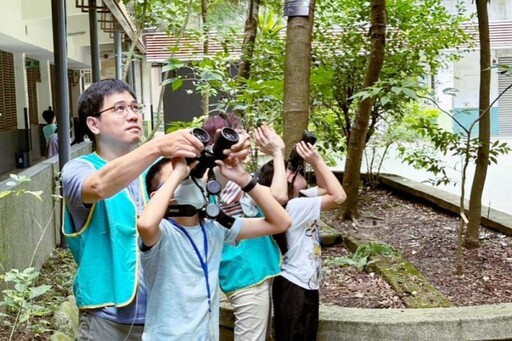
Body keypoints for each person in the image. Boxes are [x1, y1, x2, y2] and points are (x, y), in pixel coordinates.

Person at [61, 78, 249, 340]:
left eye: (135, 107)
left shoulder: (155, 169)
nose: (132, 115)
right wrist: (157, 147)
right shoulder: (77, 169)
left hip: (165, 320)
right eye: (119, 109)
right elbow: (99, 186)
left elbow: (202, 186)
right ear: (93, 124)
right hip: (107, 321)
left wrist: (228, 159)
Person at [137, 155, 292, 340]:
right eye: (178, 179)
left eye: (191, 175)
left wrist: (244, 179)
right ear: (159, 196)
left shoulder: (215, 228)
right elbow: (145, 224)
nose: (188, 179)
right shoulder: (162, 233)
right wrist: (178, 172)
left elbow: (281, 222)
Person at [202, 114, 286, 341]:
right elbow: (278, 196)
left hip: (243, 270)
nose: (246, 138)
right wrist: (277, 152)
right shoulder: (229, 182)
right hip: (247, 272)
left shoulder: (221, 180)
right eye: (237, 134)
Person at [257, 139, 347, 341]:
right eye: (291, 170)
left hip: (302, 283)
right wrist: (317, 160)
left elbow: (325, 188)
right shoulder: (294, 206)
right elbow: (339, 196)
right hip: (294, 285)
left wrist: (313, 162)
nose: (295, 171)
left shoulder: (301, 198)